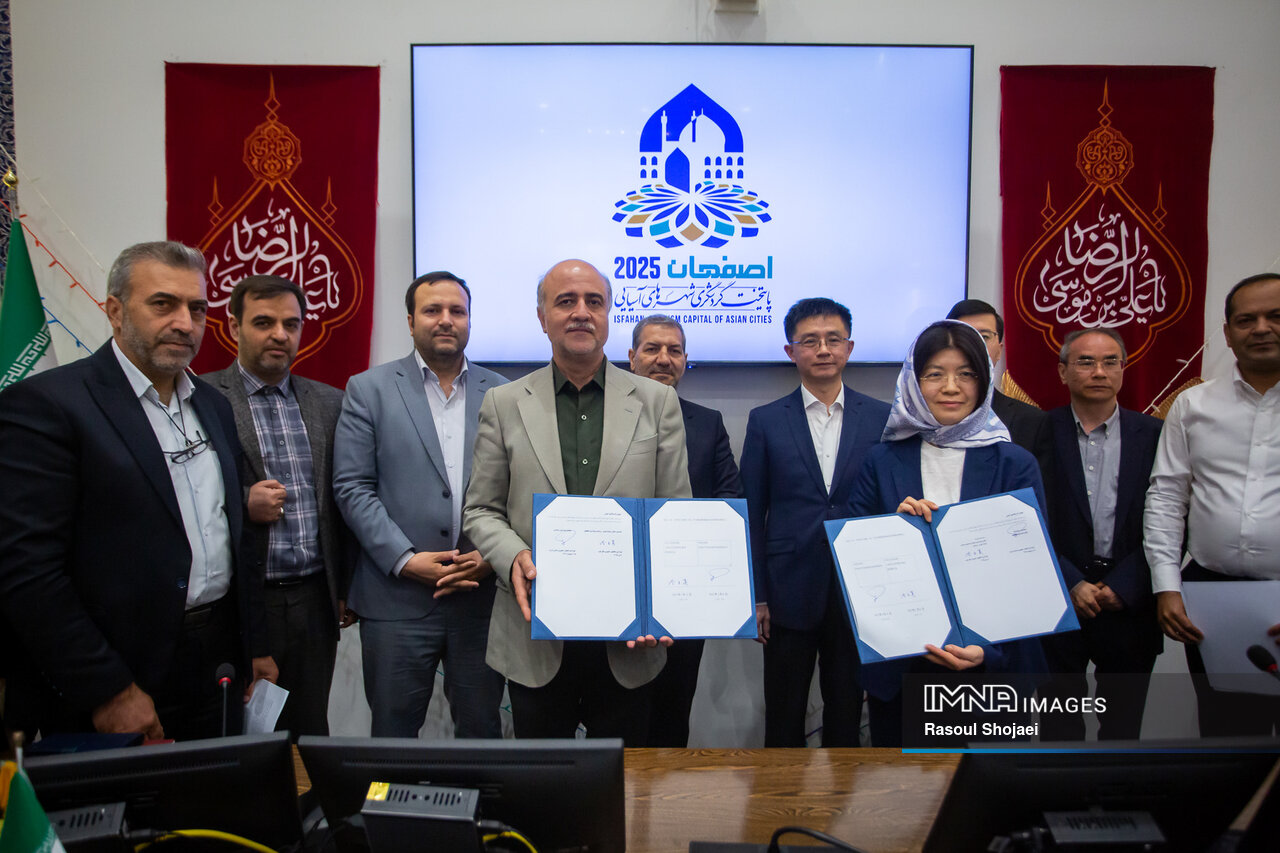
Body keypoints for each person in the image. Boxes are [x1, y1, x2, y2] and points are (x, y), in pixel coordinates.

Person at [0, 241, 275, 742]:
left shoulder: (213, 404)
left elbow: (236, 537)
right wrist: (109, 689)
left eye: (197, 309)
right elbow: (28, 571)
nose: (184, 323)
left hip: (217, 664)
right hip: (119, 673)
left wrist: (253, 645)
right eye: (163, 304)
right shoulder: (49, 405)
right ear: (115, 311)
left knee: (216, 791)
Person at [462, 259, 691, 746]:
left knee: (625, 780)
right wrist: (513, 555)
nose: (581, 312)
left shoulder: (657, 402)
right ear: (542, 317)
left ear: (608, 316)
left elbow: (675, 515)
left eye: (594, 302)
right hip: (534, 635)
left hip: (630, 639)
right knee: (543, 780)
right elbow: (480, 509)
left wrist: (662, 604)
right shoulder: (504, 403)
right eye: (565, 301)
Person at [850, 319, 1047, 747]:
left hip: (993, 666)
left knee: (986, 784)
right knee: (902, 784)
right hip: (903, 664)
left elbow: (1031, 574)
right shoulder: (881, 461)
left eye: (966, 374)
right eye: (935, 374)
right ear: (913, 381)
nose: (951, 387)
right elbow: (853, 565)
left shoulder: (1014, 464)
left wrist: (987, 651)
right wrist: (891, 531)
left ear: (984, 380)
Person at [334, 271, 508, 738]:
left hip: (480, 597)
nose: (446, 320)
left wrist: (491, 557)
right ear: (411, 322)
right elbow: (352, 487)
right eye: (432, 310)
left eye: (457, 311)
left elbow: (520, 488)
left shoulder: (505, 393)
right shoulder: (368, 389)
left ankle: (479, 796)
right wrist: (406, 560)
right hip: (396, 599)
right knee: (393, 737)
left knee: (482, 733)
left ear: (469, 320)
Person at [203, 275, 353, 738]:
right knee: (244, 734)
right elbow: (177, 493)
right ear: (234, 326)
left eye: (291, 324)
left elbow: (343, 499)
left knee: (311, 731)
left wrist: (345, 584)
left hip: (315, 600)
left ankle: (308, 792)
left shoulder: (329, 402)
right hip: (243, 602)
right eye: (264, 322)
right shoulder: (202, 399)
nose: (279, 335)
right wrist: (239, 502)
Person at [740, 298, 891, 747]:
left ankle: (840, 794)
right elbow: (752, 513)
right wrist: (758, 595)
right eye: (810, 341)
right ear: (791, 351)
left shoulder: (882, 418)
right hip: (787, 592)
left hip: (858, 591)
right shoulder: (766, 421)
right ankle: (778, 792)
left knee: (846, 715)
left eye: (833, 339)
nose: (823, 349)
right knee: (783, 717)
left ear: (849, 347)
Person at [1145, 272, 1280, 736]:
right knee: (1228, 739)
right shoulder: (1193, 405)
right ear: (1227, 332)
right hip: (1211, 598)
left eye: (1275, 316)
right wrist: (1167, 587)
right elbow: (1166, 498)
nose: (1261, 328)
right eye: (1246, 320)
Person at [1040, 329, 1162, 740]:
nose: (1099, 371)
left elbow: (1173, 519)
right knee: (1059, 726)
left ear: (1123, 369)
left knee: (1123, 730)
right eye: (1086, 362)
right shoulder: (1037, 432)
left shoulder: (1156, 435)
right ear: (1063, 371)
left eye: (1111, 361)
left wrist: (1125, 585)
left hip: (1129, 601)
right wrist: (1070, 580)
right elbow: (1024, 517)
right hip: (1057, 598)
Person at [627, 314, 743, 747]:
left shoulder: (708, 422)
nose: (664, 359)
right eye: (652, 349)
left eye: (674, 350)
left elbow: (730, 497)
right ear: (631, 357)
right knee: (623, 715)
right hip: (618, 589)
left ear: (685, 359)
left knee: (675, 712)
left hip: (687, 592)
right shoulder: (605, 416)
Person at [947, 299, 1052, 467]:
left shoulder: (1032, 422)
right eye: (965, 336)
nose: (974, 346)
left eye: (984, 337)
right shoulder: (921, 419)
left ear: (999, 351)